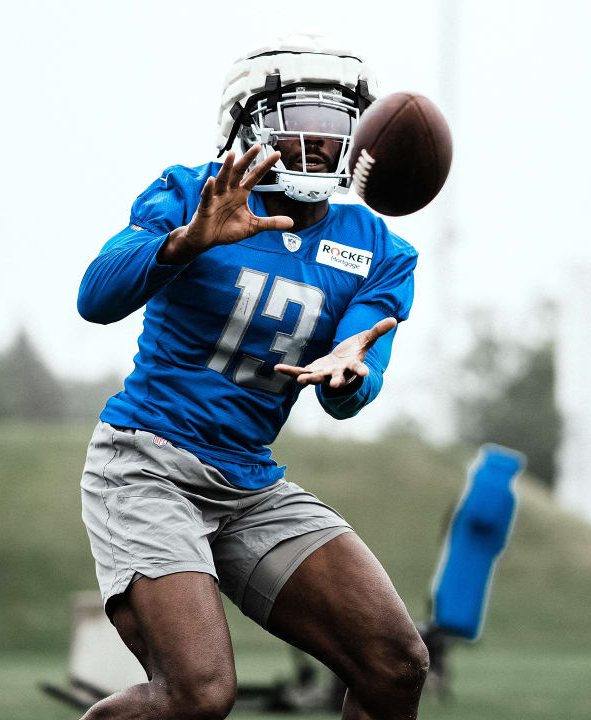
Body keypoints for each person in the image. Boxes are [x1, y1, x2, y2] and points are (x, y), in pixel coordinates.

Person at [76, 32, 429, 720]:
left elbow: (357, 378)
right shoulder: (190, 192)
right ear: (243, 124)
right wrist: (185, 241)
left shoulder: (379, 250)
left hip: (248, 482)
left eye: (335, 126)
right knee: (197, 695)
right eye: (299, 121)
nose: (319, 141)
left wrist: (348, 374)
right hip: (147, 463)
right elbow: (96, 297)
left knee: (395, 665)